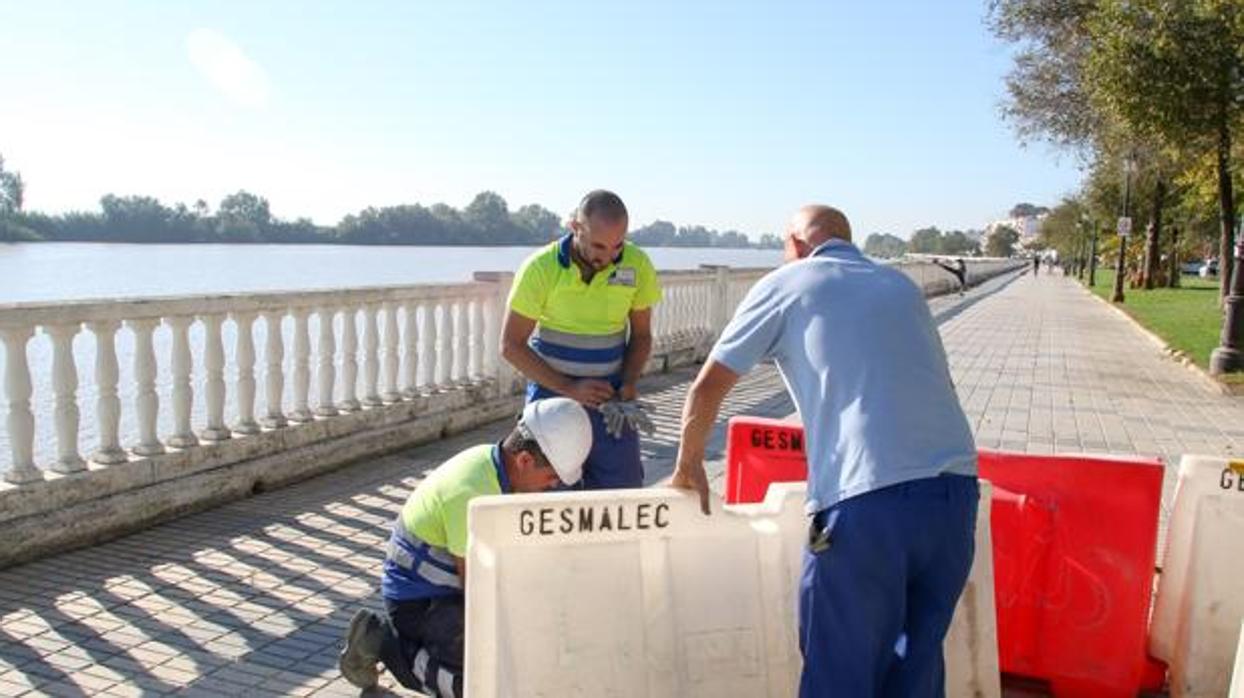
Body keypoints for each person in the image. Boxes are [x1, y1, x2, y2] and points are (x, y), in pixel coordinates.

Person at [671, 205, 979, 698]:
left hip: (869, 500)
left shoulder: (788, 283)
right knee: (915, 666)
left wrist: (687, 465)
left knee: (840, 669)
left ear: (795, 244)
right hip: (955, 497)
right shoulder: (900, 285)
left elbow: (708, 387)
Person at [338, 398, 593, 696]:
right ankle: (383, 640)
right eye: (551, 477)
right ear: (524, 460)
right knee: (479, 679)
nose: (552, 486)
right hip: (417, 600)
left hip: (447, 592)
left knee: (514, 657)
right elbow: (477, 590)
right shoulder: (472, 493)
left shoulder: (500, 471)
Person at [500, 189, 662, 489]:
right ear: (575, 227)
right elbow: (511, 345)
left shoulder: (636, 264)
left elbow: (641, 335)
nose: (608, 256)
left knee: (622, 493)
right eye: (599, 245)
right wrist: (569, 388)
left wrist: (629, 382)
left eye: (617, 246)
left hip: (611, 400)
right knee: (551, 494)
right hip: (552, 396)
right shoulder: (540, 268)